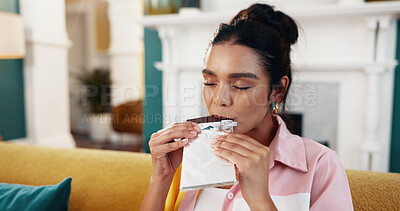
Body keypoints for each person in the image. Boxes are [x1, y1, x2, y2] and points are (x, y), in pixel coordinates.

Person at [140, 3, 353, 211]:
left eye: (240, 86)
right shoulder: (187, 160)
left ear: (277, 91)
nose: (219, 99)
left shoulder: (320, 165)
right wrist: (161, 178)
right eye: (210, 83)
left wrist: (260, 201)